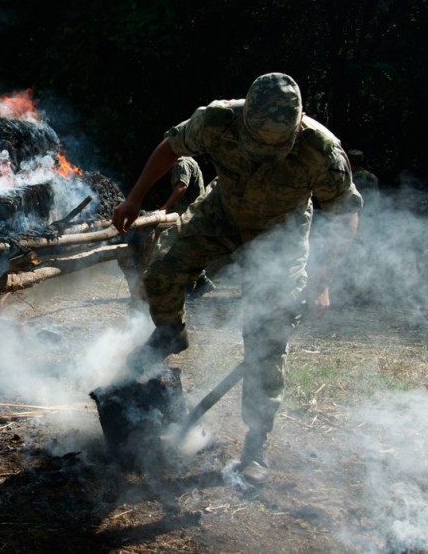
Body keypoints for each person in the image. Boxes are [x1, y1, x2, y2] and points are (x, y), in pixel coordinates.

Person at [112, 72, 362, 485]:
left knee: (265, 335)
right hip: (222, 213)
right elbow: (171, 146)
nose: (264, 153)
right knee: (163, 275)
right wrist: (135, 197)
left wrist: (320, 284)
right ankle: (171, 334)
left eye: (275, 147)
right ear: (245, 119)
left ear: (298, 127)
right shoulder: (217, 120)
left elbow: (344, 214)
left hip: (282, 233)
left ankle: (257, 444)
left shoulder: (323, 150)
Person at [159, 156, 214, 298]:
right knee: (189, 249)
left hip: (191, 215)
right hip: (194, 213)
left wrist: (165, 207)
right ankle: (200, 282)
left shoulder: (181, 163)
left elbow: (182, 186)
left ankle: (191, 286)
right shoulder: (189, 160)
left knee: (180, 249)